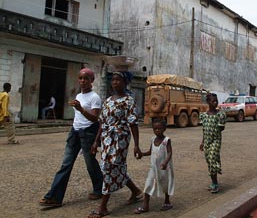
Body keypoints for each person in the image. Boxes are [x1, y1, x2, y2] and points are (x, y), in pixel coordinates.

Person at [39, 68, 103, 207]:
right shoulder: (78, 96)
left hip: (88, 133)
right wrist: (77, 116)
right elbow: (78, 116)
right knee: (66, 164)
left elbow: (95, 118)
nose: (82, 81)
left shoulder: (95, 97)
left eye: (86, 78)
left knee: (90, 163)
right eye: (80, 78)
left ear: (92, 80)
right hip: (74, 132)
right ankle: (54, 197)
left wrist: (81, 109)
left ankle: (99, 189)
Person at [88, 71, 143, 218]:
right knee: (116, 167)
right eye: (113, 80)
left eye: (118, 80)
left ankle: (103, 207)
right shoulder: (108, 100)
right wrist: (96, 141)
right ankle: (136, 191)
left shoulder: (129, 100)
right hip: (106, 138)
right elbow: (102, 123)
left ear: (125, 83)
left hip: (120, 140)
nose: (115, 82)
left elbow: (133, 123)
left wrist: (136, 145)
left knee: (109, 168)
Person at [134, 118, 174, 214]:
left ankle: (167, 202)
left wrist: (165, 162)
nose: (157, 131)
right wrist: (142, 154)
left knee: (165, 184)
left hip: (164, 168)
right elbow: (150, 151)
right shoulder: (153, 139)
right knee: (148, 184)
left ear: (164, 128)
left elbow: (169, 153)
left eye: (159, 128)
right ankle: (145, 205)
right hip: (153, 168)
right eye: (155, 129)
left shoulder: (166, 140)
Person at [199, 93, 226, 194]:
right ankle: (213, 183)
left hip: (216, 140)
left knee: (212, 160)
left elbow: (221, 129)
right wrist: (202, 142)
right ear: (208, 102)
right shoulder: (204, 116)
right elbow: (204, 130)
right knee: (209, 162)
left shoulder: (220, 115)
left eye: (216, 101)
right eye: (212, 101)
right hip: (207, 141)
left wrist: (220, 124)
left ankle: (215, 184)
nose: (215, 103)